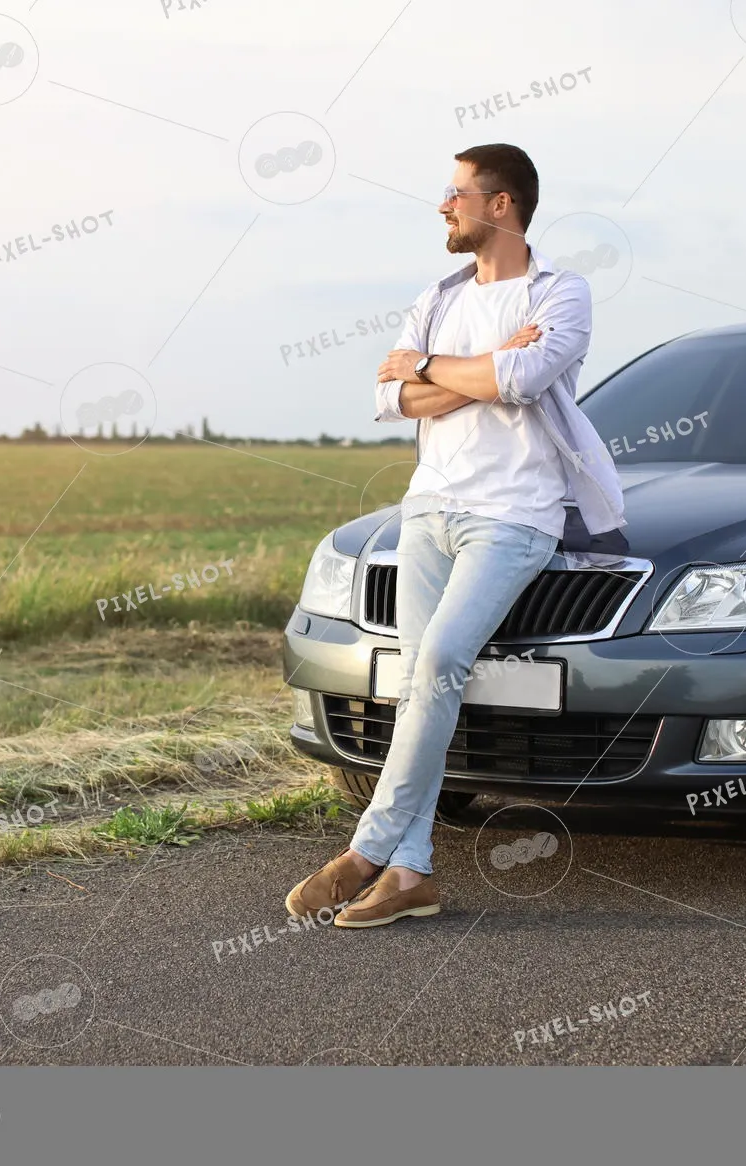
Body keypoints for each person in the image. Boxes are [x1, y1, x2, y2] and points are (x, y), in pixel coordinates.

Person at [285, 143, 626, 928]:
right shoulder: (437, 294)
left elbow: (521, 380)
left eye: (456, 193)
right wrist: (472, 372)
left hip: (513, 519)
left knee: (438, 662)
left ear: (500, 205)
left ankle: (366, 851)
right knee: (418, 682)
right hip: (426, 512)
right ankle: (412, 877)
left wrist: (439, 368)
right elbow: (390, 397)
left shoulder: (561, 293)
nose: (443, 205)